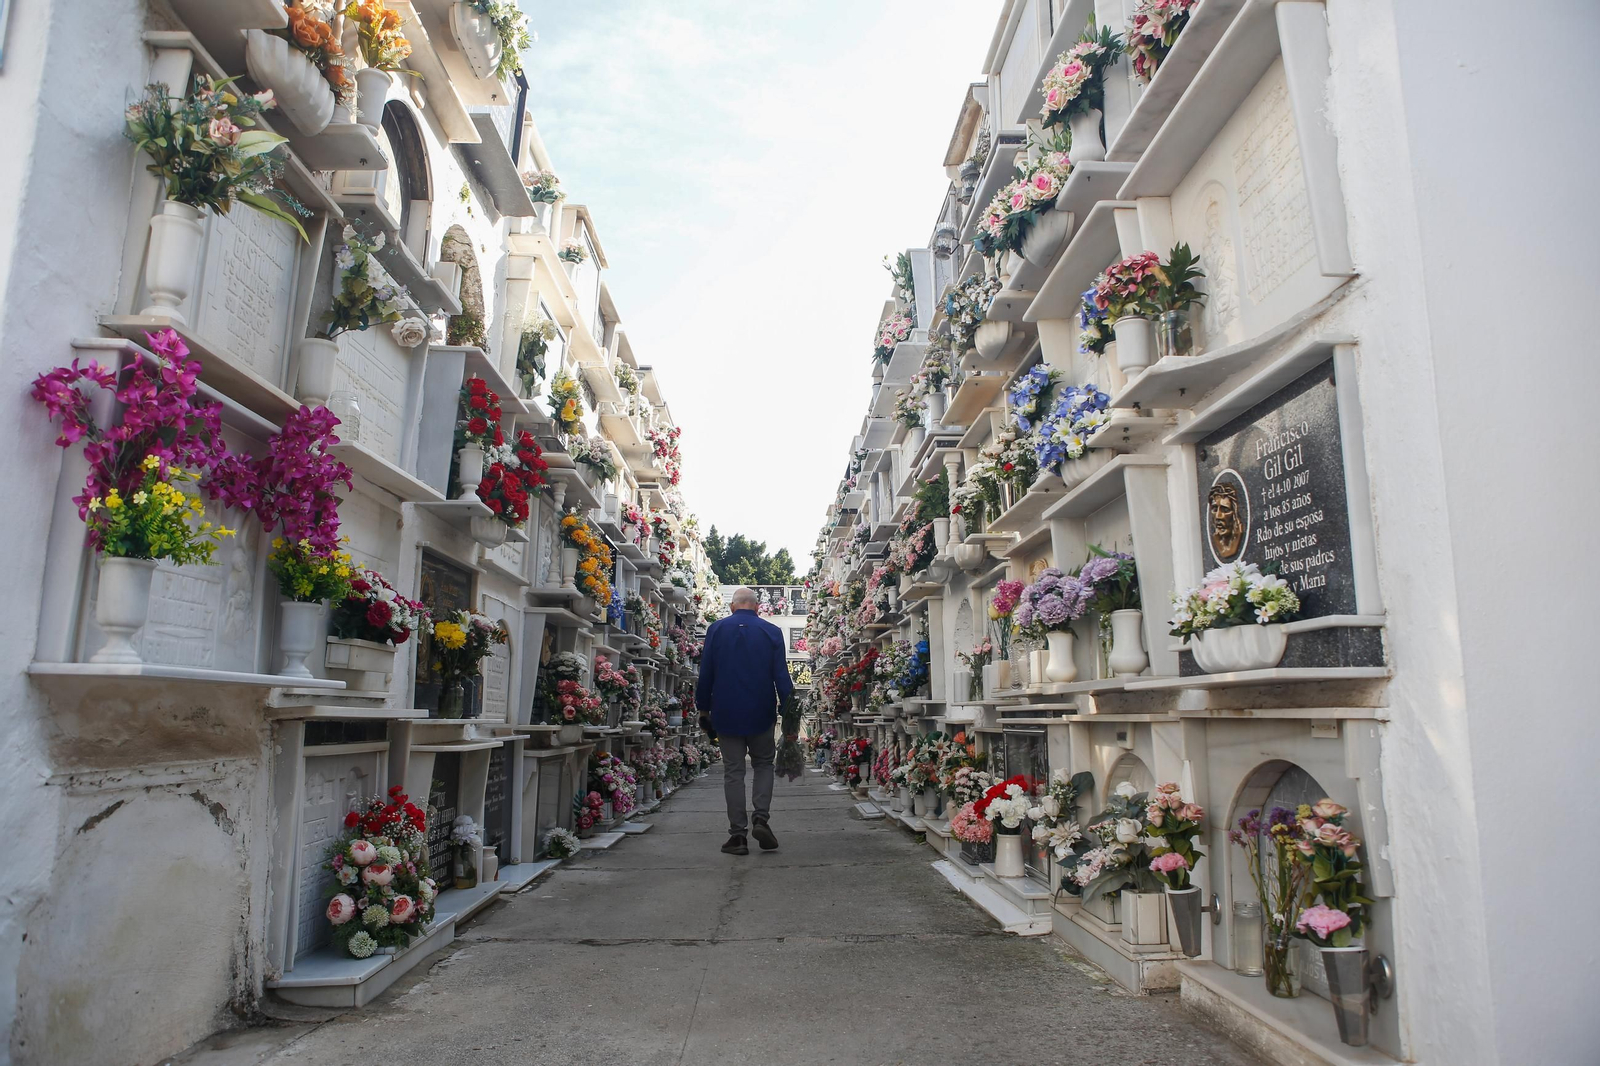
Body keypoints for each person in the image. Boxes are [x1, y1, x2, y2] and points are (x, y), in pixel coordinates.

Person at [696, 587, 795, 855]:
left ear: (732, 607)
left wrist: (703, 709)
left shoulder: (716, 630)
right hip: (761, 711)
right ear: (757, 607)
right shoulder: (771, 632)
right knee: (763, 764)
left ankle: (738, 836)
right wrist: (790, 713)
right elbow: (781, 677)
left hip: (726, 712)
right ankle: (761, 818)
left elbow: (706, 674)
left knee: (734, 772)